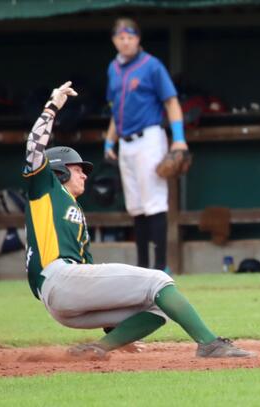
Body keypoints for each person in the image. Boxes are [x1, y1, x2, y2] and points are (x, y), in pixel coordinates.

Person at [24, 81, 252, 359]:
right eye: (77, 169)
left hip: (66, 300)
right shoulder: (45, 188)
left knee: (157, 307)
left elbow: (96, 283)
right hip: (59, 278)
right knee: (159, 280)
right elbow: (34, 147)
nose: (84, 174)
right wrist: (52, 106)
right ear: (58, 171)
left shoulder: (73, 212)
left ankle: (98, 349)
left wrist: (119, 332)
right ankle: (210, 344)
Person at [103, 17, 186, 273]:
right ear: (114, 40)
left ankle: (160, 267)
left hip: (149, 138)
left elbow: (171, 102)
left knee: (154, 203)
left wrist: (179, 138)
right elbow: (116, 109)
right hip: (125, 142)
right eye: (120, 37)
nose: (125, 41)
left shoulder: (151, 66)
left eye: (130, 36)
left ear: (138, 39)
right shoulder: (113, 69)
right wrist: (109, 141)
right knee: (136, 206)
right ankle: (142, 268)